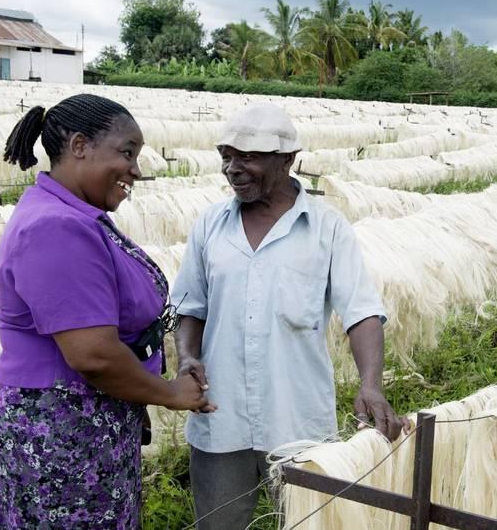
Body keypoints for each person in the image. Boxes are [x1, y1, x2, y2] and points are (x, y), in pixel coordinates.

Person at [0, 94, 215, 529]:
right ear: (80, 145)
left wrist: (137, 389)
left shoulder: (72, 214)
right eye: (127, 152)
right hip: (64, 428)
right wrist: (169, 395)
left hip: (79, 419)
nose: (136, 170)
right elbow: (93, 355)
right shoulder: (57, 227)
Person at [171, 103, 409, 529]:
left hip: (297, 420)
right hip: (219, 415)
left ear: (287, 160)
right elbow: (191, 306)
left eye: (248, 157)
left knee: (308, 522)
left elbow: (362, 312)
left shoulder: (327, 228)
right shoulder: (210, 225)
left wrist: (370, 385)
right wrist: (187, 356)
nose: (233, 169)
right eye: (227, 156)